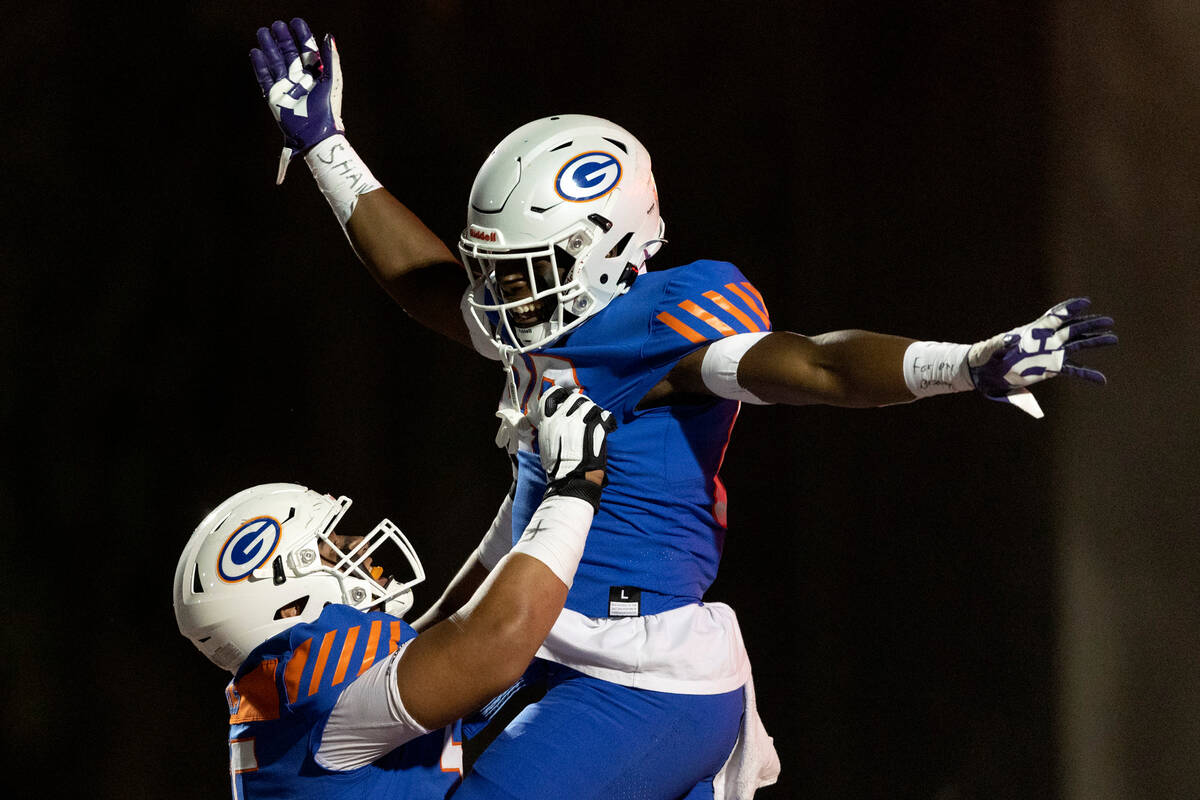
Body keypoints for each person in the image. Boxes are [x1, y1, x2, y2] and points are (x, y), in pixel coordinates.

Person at [248, 18, 1117, 800]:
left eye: (525, 270)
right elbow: (424, 285)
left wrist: (962, 364)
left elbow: (814, 365)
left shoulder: (661, 332)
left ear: (609, 250)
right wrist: (328, 145)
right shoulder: (545, 314)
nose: (499, 295)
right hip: (544, 645)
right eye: (498, 268)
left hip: (638, 670)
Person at [173, 388, 616, 798]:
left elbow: (445, 631)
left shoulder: (284, 695)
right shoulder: (312, 693)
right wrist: (575, 487)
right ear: (289, 601)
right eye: (335, 551)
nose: (362, 551)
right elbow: (490, 641)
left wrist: (524, 496)